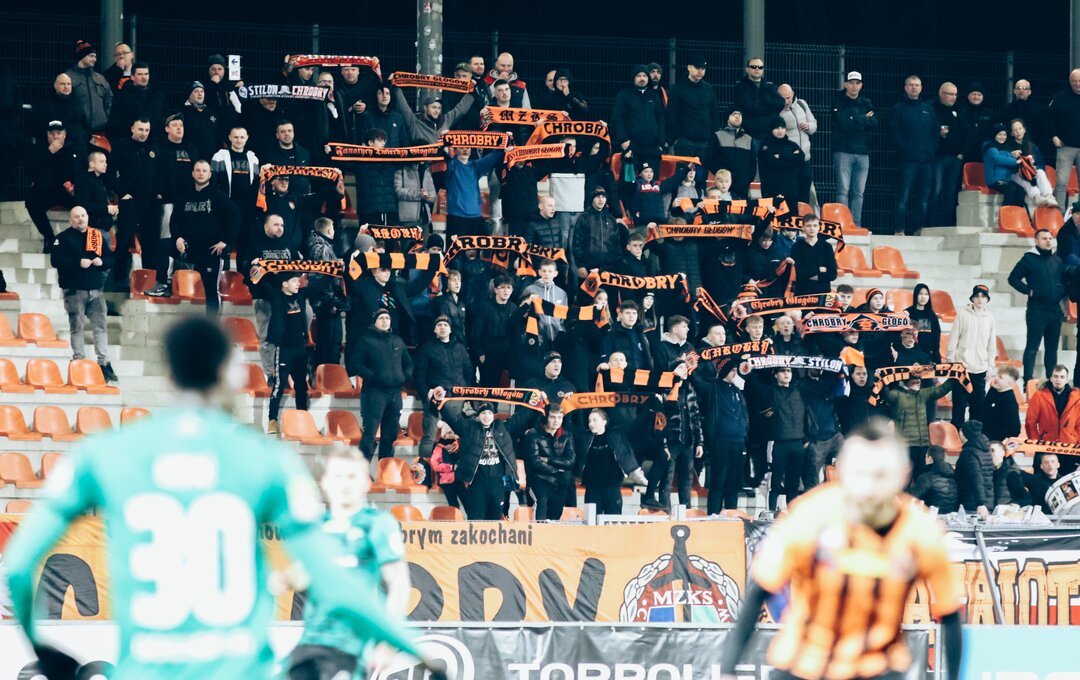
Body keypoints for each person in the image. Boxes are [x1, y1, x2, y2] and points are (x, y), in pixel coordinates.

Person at [4, 316, 439, 680]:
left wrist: (44, 650)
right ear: (228, 372)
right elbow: (334, 580)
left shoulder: (103, 454)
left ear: (168, 373)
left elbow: (18, 565)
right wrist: (414, 650)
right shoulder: (266, 459)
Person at [719, 419, 964, 680]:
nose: (869, 485)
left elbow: (950, 613)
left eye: (880, 474)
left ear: (903, 474)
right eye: (860, 472)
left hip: (878, 667)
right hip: (804, 664)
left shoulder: (920, 530)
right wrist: (727, 670)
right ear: (843, 468)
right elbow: (760, 590)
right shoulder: (809, 514)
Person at [288, 442, 411, 680]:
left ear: (366, 483)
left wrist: (387, 640)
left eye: (352, 477)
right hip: (309, 646)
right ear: (324, 482)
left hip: (349, 648)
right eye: (338, 476)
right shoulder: (316, 527)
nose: (344, 484)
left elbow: (398, 584)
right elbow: (302, 577)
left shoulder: (377, 524)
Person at [50, 206, 118, 382]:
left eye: (83, 215)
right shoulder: (62, 238)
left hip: (96, 290)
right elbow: (55, 260)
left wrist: (102, 261)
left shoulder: (96, 236)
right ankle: (79, 361)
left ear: (87, 217)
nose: (80, 219)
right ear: (70, 220)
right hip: (74, 290)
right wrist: (77, 262)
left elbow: (110, 259)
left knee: (100, 328)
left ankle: (104, 364)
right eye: (76, 216)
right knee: (77, 328)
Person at [171, 160, 241, 316]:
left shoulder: (218, 197)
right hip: (188, 248)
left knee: (211, 291)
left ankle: (212, 325)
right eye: (198, 170)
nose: (201, 173)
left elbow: (236, 217)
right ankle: (163, 282)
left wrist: (225, 241)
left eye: (204, 170)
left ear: (210, 174)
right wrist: (178, 238)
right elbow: (174, 221)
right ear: (192, 173)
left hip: (211, 251)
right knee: (161, 247)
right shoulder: (184, 197)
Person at [434, 396, 520, 521]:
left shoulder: (501, 427)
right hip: (477, 482)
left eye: (489, 413)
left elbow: (521, 419)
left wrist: (539, 403)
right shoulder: (469, 428)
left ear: (493, 415)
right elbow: (452, 418)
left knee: (495, 519)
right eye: (483, 413)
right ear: (479, 415)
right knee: (475, 518)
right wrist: (439, 401)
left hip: (497, 482)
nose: (487, 416)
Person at [354, 308, 413, 461]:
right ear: (375, 322)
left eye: (387, 318)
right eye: (381, 318)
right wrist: (374, 377)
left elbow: (408, 363)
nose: (385, 321)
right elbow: (357, 364)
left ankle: (384, 470)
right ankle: (361, 470)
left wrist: (403, 377)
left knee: (390, 436)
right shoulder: (366, 341)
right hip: (374, 393)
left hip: (395, 393)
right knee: (369, 435)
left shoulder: (397, 340)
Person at [1008, 228, 1066, 384]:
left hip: (1055, 311)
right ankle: (1027, 381)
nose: (1048, 241)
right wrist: (1030, 291)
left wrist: (1062, 291)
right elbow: (1013, 278)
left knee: (1052, 349)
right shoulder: (1029, 259)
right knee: (1032, 347)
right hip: (1037, 310)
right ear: (1036, 241)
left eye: (1050, 238)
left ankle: (1051, 381)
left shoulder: (1057, 260)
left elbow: (1064, 280)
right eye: (1044, 238)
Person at [692, 357, 748, 514]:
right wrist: (691, 366)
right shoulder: (712, 388)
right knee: (718, 482)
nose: (735, 373)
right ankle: (713, 516)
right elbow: (697, 382)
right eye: (732, 370)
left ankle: (732, 515)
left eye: (736, 370)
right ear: (724, 371)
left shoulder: (737, 390)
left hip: (739, 441)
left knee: (734, 484)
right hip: (720, 441)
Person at [414, 315, 474, 457]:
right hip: (435, 401)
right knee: (429, 436)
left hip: (456, 400)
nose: (442, 327)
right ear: (434, 329)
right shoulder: (427, 348)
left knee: (458, 436)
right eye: (439, 325)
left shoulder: (460, 348)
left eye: (445, 325)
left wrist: (466, 394)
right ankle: (423, 467)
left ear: (450, 329)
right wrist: (426, 394)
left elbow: (469, 372)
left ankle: (455, 468)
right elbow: (419, 374)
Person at [112, 117, 162, 288]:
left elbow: (161, 172)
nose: (144, 133)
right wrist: (122, 193)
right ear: (132, 128)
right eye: (140, 129)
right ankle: (119, 279)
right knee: (124, 240)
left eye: (147, 130)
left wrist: (159, 192)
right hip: (131, 201)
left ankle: (150, 282)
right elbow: (110, 174)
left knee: (151, 243)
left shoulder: (154, 146)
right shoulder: (121, 146)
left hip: (151, 202)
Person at [880, 372, 954, 477]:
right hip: (906, 446)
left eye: (919, 379)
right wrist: (882, 378)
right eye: (915, 379)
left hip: (923, 445)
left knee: (920, 477)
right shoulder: (896, 395)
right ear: (907, 380)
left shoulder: (923, 394)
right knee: (905, 478)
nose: (919, 381)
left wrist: (954, 377)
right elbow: (884, 392)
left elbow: (941, 390)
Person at [889, 75, 937, 235]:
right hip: (907, 162)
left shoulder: (928, 109)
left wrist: (931, 150)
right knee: (903, 197)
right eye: (911, 84)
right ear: (905, 87)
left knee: (923, 199)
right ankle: (899, 229)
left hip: (926, 162)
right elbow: (894, 133)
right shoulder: (898, 109)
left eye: (917, 85)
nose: (914, 87)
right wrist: (905, 150)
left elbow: (935, 133)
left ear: (921, 88)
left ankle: (919, 229)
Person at [265, 273, 310, 435]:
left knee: (301, 385)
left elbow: (319, 285)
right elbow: (258, 282)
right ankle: (272, 420)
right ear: (285, 284)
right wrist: (256, 267)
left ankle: (303, 420)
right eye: (294, 281)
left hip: (301, 348)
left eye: (298, 280)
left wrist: (332, 271)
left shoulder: (301, 295)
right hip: (284, 349)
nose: (298, 283)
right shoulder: (277, 297)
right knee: (279, 385)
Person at [947, 285, 996, 428]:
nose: (980, 299)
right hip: (962, 369)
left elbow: (991, 344)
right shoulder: (962, 314)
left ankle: (973, 436)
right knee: (959, 406)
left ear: (987, 299)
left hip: (980, 369)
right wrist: (951, 362)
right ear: (972, 298)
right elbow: (953, 339)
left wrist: (990, 366)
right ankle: (956, 433)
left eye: (983, 296)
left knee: (978, 407)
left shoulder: (990, 318)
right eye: (977, 296)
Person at [24, 119, 77, 252]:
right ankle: (49, 237)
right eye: (51, 133)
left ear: (65, 134)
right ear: (47, 135)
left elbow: (78, 171)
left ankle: (82, 238)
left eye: (59, 133)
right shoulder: (39, 148)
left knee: (86, 199)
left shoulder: (73, 148)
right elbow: (30, 170)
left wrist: (74, 187)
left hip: (67, 191)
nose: (55, 136)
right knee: (32, 200)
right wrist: (49, 152)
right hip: (46, 190)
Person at [831, 71, 876, 226]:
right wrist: (863, 119)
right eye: (851, 83)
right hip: (843, 151)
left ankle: (856, 224)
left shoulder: (866, 102)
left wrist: (855, 119)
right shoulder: (838, 101)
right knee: (843, 190)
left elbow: (874, 122)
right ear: (846, 84)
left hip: (863, 152)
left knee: (859, 192)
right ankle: (842, 224)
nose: (854, 86)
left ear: (861, 85)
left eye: (857, 83)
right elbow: (843, 123)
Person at [575, 409, 639, 515]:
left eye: (594, 420)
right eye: (589, 421)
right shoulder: (584, 438)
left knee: (614, 519)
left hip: (612, 486)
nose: (591, 424)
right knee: (592, 519)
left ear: (604, 422)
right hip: (592, 487)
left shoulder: (616, 436)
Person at [305, 218, 346, 369]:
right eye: (333, 228)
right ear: (329, 230)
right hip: (327, 305)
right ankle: (327, 376)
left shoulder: (318, 246)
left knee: (331, 344)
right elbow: (324, 279)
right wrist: (332, 303)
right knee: (330, 345)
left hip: (325, 303)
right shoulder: (322, 249)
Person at [522, 406, 577, 521]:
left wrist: (549, 460)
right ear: (546, 417)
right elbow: (535, 462)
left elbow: (571, 461)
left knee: (556, 513)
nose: (556, 421)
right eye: (553, 417)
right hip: (539, 480)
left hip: (560, 482)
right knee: (542, 502)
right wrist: (558, 469)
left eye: (559, 417)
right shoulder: (533, 435)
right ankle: (538, 530)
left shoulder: (567, 435)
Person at [611, 65, 666, 172]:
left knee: (652, 180)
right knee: (629, 179)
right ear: (633, 78)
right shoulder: (624, 95)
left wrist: (660, 143)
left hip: (652, 147)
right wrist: (623, 140)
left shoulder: (654, 96)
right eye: (638, 76)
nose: (642, 78)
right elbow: (617, 119)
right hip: (632, 146)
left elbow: (661, 120)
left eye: (644, 76)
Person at [444, 146, 504, 239]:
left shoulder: (475, 166)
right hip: (456, 217)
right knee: (455, 248)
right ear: (455, 149)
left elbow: (493, 157)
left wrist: (505, 145)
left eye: (468, 148)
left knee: (474, 248)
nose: (465, 150)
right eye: (461, 148)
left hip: (476, 217)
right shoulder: (451, 165)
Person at [929, 82, 967, 227]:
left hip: (954, 158)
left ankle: (946, 225)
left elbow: (967, 132)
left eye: (955, 94)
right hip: (937, 157)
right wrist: (938, 133)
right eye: (950, 94)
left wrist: (962, 152)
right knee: (935, 190)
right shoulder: (931, 108)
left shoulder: (959, 110)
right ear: (941, 94)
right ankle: (930, 224)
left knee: (950, 193)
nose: (954, 97)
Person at [666, 54, 715, 159]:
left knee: (702, 170)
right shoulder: (677, 89)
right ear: (689, 67)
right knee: (684, 170)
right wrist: (675, 137)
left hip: (705, 142)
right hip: (685, 142)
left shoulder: (708, 89)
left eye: (703, 68)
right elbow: (671, 114)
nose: (700, 71)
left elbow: (713, 114)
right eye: (697, 67)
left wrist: (712, 138)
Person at [777, 84, 817, 206]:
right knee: (791, 193)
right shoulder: (777, 110)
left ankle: (803, 215)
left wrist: (809, 126)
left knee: (805, 193)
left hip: (805, 159)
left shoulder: (802, 104)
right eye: (782, 98)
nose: (786, 101)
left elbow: (813, 123)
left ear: (793, 94)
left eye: (788, 98)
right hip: (789, 160)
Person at [1025, 365, 1080, 448]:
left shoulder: (1077, 398)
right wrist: (1035, 441)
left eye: (1062, 377)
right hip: (1046, 444)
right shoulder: (1039, 396)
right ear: (1051, 379)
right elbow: (1030, 422)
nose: (1058, 380)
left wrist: (1078, 443)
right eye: (1055, 376)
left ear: (1066, 380)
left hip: (1070, 446)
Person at [732, 57, 784, 143]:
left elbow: (781, 104)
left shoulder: (769, 86)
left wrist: (765, 101)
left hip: (769, 134)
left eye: (760, 67)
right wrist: (770, 107)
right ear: (747, 69)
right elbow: (748, 107)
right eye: (753, 67)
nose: (757, 69)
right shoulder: (740, 87)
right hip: (748, 134)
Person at [65, 40, 112, 134]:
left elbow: (109, 102)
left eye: (95, 56)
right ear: (82, 56)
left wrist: (105, 118)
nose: (94, 59)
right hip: (76, 132)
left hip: (100, 131)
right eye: (91, 56)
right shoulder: (68, 78)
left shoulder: (100, 78)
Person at [1007, 118, 1057, 206]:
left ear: (1024, 130)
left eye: (1020, 129)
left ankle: (1049, 196)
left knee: (1040, 172)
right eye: (1015, 130)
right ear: (1011, 133)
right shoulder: (1008, 147)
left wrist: (1034, 168)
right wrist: (1013, 157)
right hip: (1016, 173)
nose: (1018, 132)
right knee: (1023, 179)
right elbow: (1007, 164)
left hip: (1031, 172)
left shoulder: (1033, 147)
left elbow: (1040, 163)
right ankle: (1037, 197)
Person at [758, 115, 805, 207]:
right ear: (771, 129)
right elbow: (772, 163)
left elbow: (801, 158)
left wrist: (781, 156)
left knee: (792, 214)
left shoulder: (791, 144)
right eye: (777, 128)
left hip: (791, 191)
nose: (780, 131)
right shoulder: (766, 145)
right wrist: (792, 159)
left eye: (782, 127)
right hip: (772, 190)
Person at [789, 212, 837, 295]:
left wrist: (810, 275)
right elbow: (798, 273)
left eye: (815, 225)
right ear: (803, 228)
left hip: (823, 293)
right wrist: (819, 269)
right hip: (802, 293)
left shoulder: (827, 247)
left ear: (819, 227)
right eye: (808, 226)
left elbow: (832, 274)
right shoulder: (796, 246)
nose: (812, 228)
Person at [955, 420, 994, 519]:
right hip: (987, 501)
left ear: (965, 433)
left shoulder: (969, 452)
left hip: (973, 503)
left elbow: (976, 477)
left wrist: (980, 503)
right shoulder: (985, 450)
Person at [983, 124, 1026, 208]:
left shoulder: (1006, 147)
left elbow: (1010, 165)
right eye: (1000, 134)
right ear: (994, 135)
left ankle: (1017, 213)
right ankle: (1005, 214)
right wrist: (1015, 161)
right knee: (1010, 189)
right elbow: (998, 159)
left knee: (1021, 190)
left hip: (1007, 180)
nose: (1002, 137)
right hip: (995, 180)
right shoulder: (989, 146)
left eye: (1004, 134)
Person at [977, 366, 1022, 442]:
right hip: (983, 436)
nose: (996, 378)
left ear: (1009, 383)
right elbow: (983, 411)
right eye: (997, 375)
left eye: (1000, 377)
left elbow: (1015, 427)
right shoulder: (993, 391)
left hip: (996, 441)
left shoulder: (1010, 401)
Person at [910, 445, 959, 513]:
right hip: (952, 515)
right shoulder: (953, 476)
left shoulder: (926, 478)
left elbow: (911, 497)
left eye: (926, 457)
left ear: (930, 458)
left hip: (931, 515)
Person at [905, 283, 942, 363]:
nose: (923, 297)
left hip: (928, 357)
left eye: (926, 294)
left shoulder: (932, 315)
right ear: (915, 295)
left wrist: (936, 357)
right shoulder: (907, 313)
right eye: (920, 294)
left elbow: (936, 338)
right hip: (911, 356)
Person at [991, 440, 1030, 508]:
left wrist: (1011, 505)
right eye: (986, 451)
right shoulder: (985, 471)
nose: (989, 453)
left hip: (1003, 512)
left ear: (1002, 453)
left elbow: (1026, 498)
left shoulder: (1011, 473)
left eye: (992, 450)